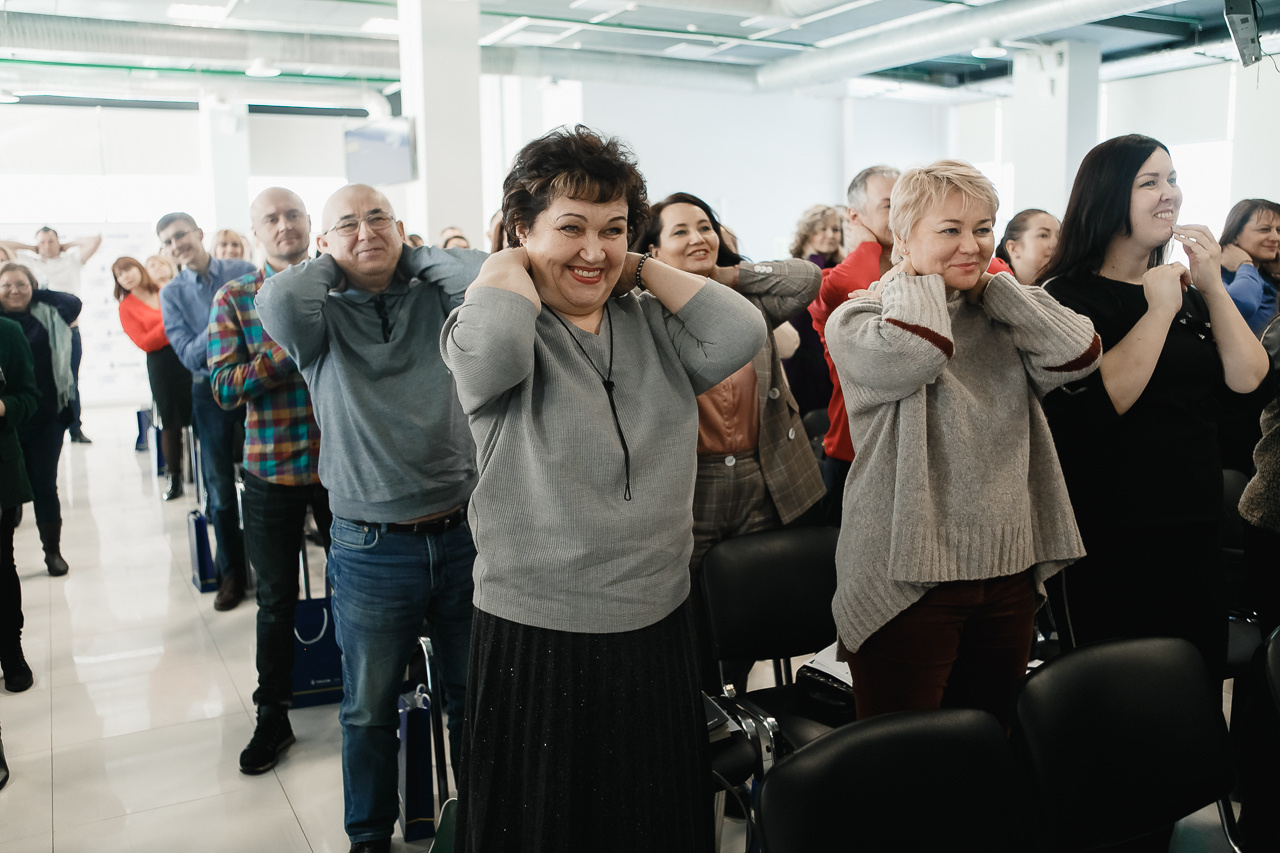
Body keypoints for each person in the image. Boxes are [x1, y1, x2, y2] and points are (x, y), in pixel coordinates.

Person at [442, 126, 766, 853]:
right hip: (540, 631)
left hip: (655, 621)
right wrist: (507, 261)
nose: (594, 249)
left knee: (648, 819)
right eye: (570, 227)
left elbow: (740, 329)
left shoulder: (652, 324)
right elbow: (488, 355)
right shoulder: (498, 325)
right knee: (548, 825)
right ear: (523, 228)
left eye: (614, 228)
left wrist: (643, 268)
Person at [824, 160, 1100, 728]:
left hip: (1006, 564)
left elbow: (1080, 352)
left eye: (984, 227)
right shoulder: (859, 317)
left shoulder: (1000, 311)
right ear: (902, 237)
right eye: (949, 230)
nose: (972, 245)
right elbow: (919, 351)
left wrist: (999, 289)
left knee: (989, 737)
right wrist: (916, 280)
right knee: (904, 758)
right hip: (908, 572)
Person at [256, 183, 484, 853]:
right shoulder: (317, 321)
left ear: (404, 228)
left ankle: (483, 814)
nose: (366, 230)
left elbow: (484, 274)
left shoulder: (435, 299)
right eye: (346, 224)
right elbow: (274, 297)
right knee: (368, 705)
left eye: (378, 217)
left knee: (475, 694)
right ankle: (368, 834)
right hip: (370, 545)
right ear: (322, 244)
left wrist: (406, 257)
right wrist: (340, 255)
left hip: (463, 532)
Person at [1041, 134, 1271, 683]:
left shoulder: (1185, 291)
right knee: (1121, 696)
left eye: (1172, 179)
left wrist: (1213, 287)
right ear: (1108, 196)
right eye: (1150, 182)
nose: (1170, 194)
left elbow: (1248, 378)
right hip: (1111, 534)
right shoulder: (1064, 296)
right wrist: (1158, 312)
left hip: (1193, 524)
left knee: (1193, 684)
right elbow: (1100, 404)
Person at [635, 191, 824, 692]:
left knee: (750, 610)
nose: (698, 237)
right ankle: (701, 721)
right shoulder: (642, 313)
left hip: (761, 473)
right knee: (691, 618)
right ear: (652, 252)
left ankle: (740, 705)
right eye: (680, 231)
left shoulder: (747, 300)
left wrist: (721, 275)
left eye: (705, 226)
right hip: (691, 483)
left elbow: (807, 278)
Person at [209, 187, 330, 775]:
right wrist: (288, 351)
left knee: (364, 591)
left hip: (347, 468)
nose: (284, 225)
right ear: (257, 233)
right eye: (271, 218)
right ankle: (272, 715)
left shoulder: (343, 284)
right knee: (276, 600)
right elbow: (224, 387)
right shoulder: (236, 297)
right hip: (272, 469)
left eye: (293, 214)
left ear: (309, 223)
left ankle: (374, 688)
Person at [157, 212, 257, 611]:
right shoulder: (172, 294)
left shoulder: (241, 270)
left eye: (180, 235)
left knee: (265, 483)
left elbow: (262, 327)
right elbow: (186, 355)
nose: (176, 244)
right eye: (167, 241)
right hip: (209, 392)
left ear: (199, 234)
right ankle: (231, 575)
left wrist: (217, 325)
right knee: (219, 491)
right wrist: (224, 313)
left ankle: (266, 570)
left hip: (254, 384)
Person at [809, 166, 900, 522]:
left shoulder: (927, 275)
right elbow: (867, 294)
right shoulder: (832, 281)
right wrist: (865, 243)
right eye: (890, 206)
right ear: (855, 215)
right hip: (854, 448)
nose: (904, 213)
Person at [0, 263, 82, 578]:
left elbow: (73, 303)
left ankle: (52, 552)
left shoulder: (47, 312)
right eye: (6, 285)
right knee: (9, 491)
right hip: (7, 420)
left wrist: (35, 289)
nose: (14, 291)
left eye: (21, 284)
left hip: (47, 415)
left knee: (45, 486)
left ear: (33, 286)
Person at [2, 228, 102, 444]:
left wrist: (67, 245)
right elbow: (4, 244)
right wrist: (33, 249)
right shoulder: (30, 263)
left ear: (58, 242)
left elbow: (94, 239)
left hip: (67, 330)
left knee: (69, 380)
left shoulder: (72, 260)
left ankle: (74, 428)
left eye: (50, 241)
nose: (46, 245)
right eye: (42, 242)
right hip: (39, 328)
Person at [113, 257, 191, 500]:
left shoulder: (164, 291)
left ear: (140, 269)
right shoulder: (125, 307)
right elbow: (145, 342)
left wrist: (168, 327)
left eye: (129, 269)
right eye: (120, 275)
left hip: (188, 353)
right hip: (162, 365)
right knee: (170, 421)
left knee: (200, 416)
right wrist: (171, 323)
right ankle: (174, 478)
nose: (126, 276)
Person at [1, 314, 38, 691]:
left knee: (1, 565)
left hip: (1, 471)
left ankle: (11, 650)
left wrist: (3, 407)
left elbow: (28, 397)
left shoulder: (8, 333)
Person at [1220, 198, 1280, 335]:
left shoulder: (1269, 280)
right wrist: (1246, 265)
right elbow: (1240, 305)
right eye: (1264, 229)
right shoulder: (1216, 276)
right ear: (1235, 235)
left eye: (1279, 230)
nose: (1275, 237)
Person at [996, 208, 1060, 286]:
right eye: (1043, 235)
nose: (1056, 243)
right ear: (1013, 248)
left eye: (1059, 236)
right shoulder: (988, 284)